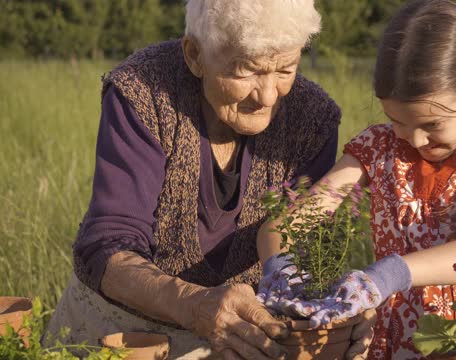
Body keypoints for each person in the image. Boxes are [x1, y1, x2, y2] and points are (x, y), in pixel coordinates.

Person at [45, 1, 375, 359]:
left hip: (240, 340)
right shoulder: (143, 92)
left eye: (285, 69)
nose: (266, 95)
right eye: (246, 71)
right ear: (195, 55)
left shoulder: (313, 119)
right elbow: (106, 243)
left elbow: (300, 256)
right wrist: (194, 305)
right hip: (119, 332)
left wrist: (338, 308)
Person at [256, 0, 456, 358]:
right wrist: (282, 271)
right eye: (398, 121)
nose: (415, 140)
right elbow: (285, 226)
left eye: (432, 125)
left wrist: (392, 273)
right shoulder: (378, 147)